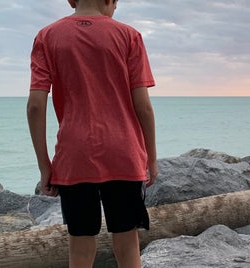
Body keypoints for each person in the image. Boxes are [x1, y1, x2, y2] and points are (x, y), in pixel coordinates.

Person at [27, 0, 157, 267]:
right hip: (124, 154)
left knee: (81, 247)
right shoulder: (129, 36)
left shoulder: (47, 36)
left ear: (72, 0)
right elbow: (143, 106)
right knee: (127, 245)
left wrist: (45, 166)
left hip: (74, 157)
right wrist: (151, 158)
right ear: (110, 0)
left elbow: (35, 106)